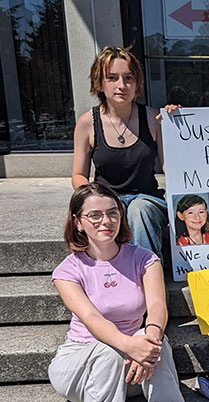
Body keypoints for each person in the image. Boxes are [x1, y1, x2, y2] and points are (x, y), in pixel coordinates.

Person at [48, 183, 209, 402]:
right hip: (80, 367)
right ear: (78, 221)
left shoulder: (143, 258)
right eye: (94, 216)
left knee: (158, 342)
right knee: (111, 349)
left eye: (112, 213)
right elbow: (93, 320)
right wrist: (131, 347)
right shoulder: (68, 270)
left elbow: (158, 307)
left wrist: (148, 342)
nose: (105, 221)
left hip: (133, 369)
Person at [72, 46, 179, 262]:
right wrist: (96, 200)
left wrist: (178, 123)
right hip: (108, 199)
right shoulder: (86, 123)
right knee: (115, 212)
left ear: (137, 83)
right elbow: (78, 174)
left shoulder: (154, 119)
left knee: (138, 211)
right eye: (112, 78)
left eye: (128, 78)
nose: (122, 86)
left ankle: (146, 282)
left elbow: (171, 167)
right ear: (100, 83)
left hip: (148, 199)